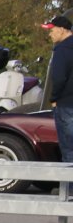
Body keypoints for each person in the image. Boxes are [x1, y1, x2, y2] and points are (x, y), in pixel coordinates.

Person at [44, 13, 73, 161]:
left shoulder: (61, 49)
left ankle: (69, 177)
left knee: (69, 149)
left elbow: (59, 77)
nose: (50, 34)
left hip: (66, 105)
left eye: (52, 30)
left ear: (62, 29)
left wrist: (54, 98)